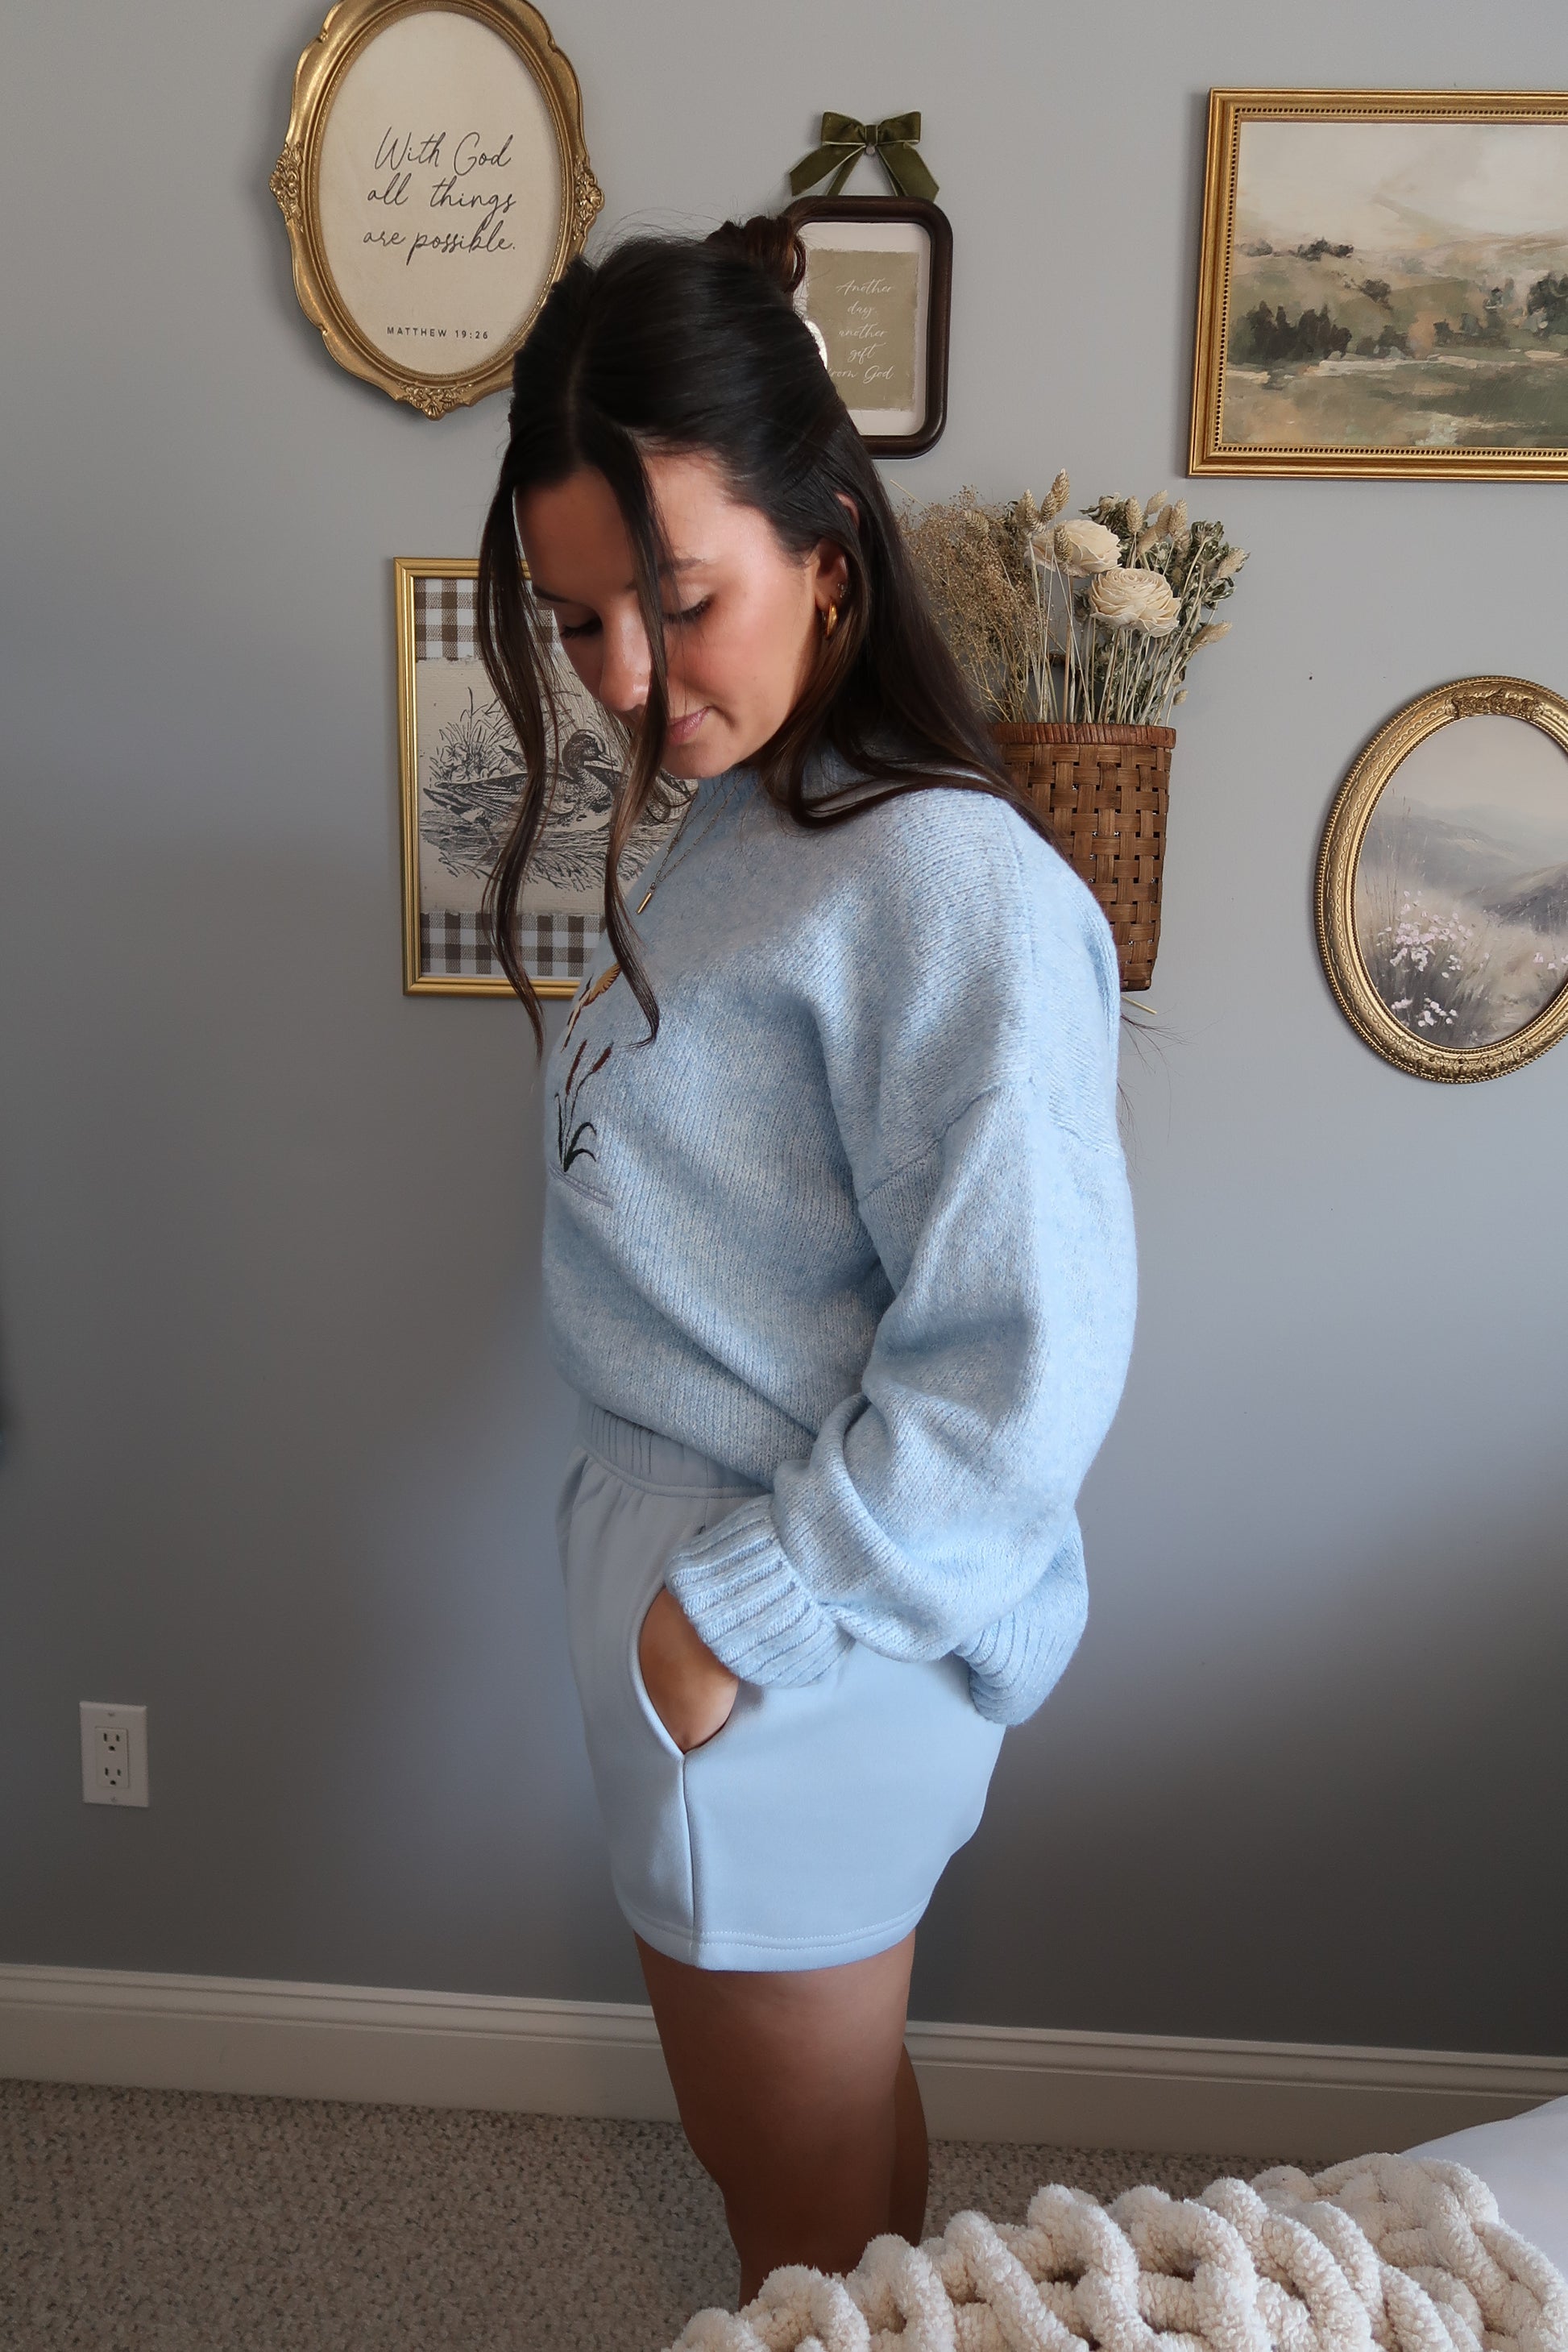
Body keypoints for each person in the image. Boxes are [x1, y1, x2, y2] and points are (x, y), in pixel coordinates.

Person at [475, 214, 1137, 2301]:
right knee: (836, 2183)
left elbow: (1023, 1365)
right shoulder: (755, 827)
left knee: (791, 2240)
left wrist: (727, 1620)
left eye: (680, 605)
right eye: (580, 621)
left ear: (827, 549)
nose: (625, 678)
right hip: (725, 1604)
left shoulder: (943, 883)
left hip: (787, 1630)